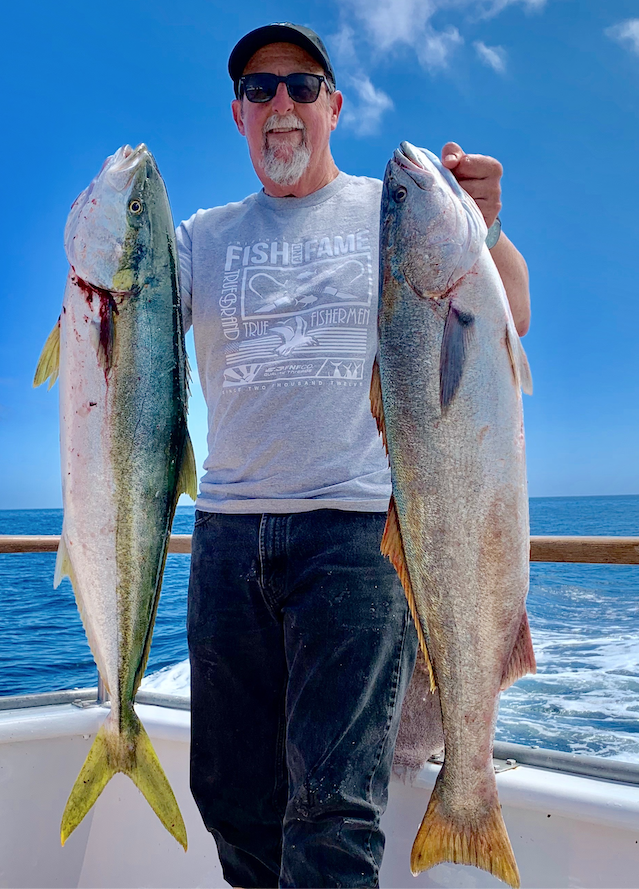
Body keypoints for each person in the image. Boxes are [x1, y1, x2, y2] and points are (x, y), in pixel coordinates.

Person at [176, 22, 531, 889]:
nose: (281, 104)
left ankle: (468, 795)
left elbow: (506, 316)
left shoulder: (396, 209)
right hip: (224, 537)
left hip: (354, 536)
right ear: (238, 116)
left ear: (333, 106)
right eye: (260, 90)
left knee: (333, 810)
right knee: (229, 795)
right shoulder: (202, 235)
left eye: (301, 86)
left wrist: (489, 230)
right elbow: (119, 331)